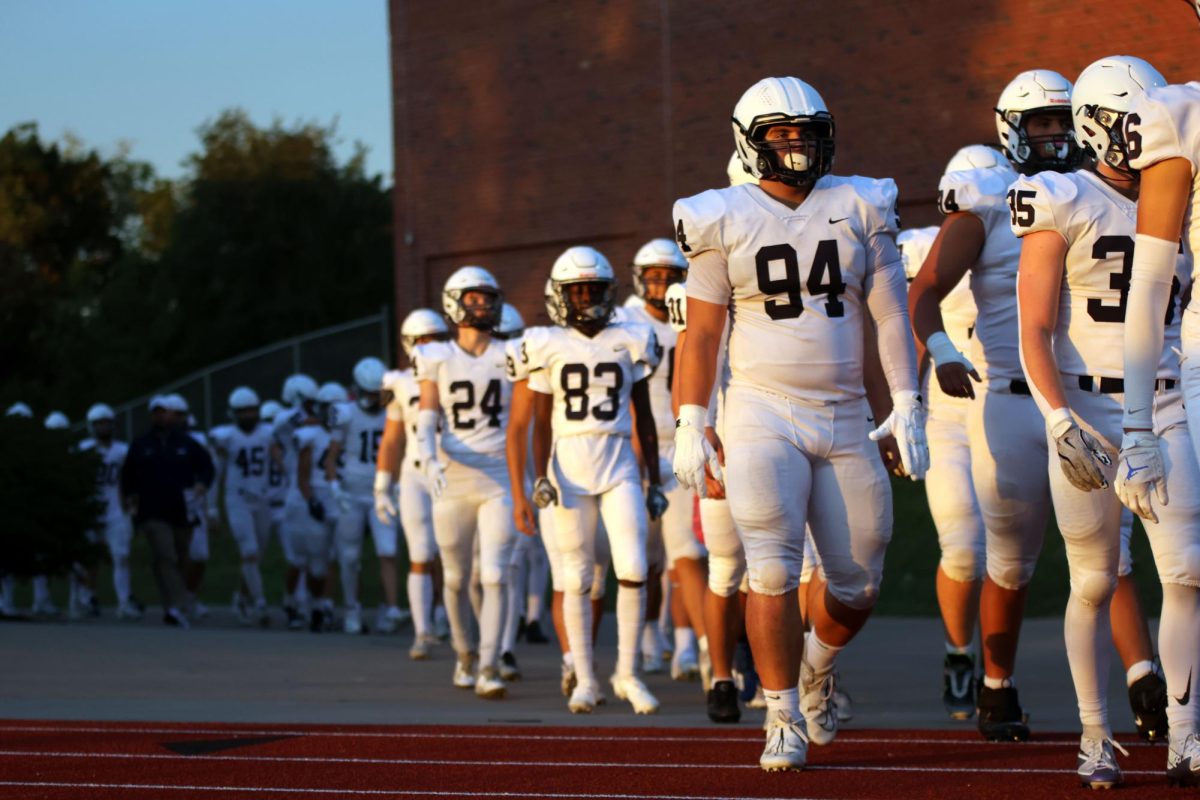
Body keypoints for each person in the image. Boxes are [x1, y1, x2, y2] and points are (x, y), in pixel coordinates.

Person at [674, 76, 926, 770]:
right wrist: (691, 418)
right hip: (761, 411)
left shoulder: (860, 203)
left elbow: (887, 318)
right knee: (772, 569)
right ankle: (780, 714)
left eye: (806, 133)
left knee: (859, 581)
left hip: (846, 412)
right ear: (749, 143)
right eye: (780, 135)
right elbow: (699, 337)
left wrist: (904, 404)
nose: (795, 147)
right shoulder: (720, 216)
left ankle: (815, 669)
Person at [1012, 55, 1188, 788]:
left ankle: (1187, 732)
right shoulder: (1059, 196)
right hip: (1086, 405)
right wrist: (1057, 418)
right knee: (1092, 580)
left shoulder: (1182, 188)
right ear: (1094, 127)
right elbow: (1034, 327)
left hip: (1171, 397)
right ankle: (1093, 733)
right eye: (1131, 121)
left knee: (1186, 568)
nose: (1149, 134)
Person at [908, 69, 1078, 741]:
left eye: (1063, 121)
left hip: (1059, 390)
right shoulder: (965, 216)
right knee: (983, 553)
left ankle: (1140, 687)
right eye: (1041, 123)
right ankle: (976, 666)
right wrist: (913, 391)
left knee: (1103, 554)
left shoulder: (1079, 197)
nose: (1056, 134)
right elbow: (915, 301)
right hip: (977, 398)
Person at [507, 245, 666, 715]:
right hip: (569, 466)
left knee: (634, 567)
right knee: (575, 576)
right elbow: (539, 418)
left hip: (618, 461)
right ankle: (587, 678)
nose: (584, 299)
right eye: (575, 291)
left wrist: (653, 479)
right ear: (560, 296)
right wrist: (539, 477)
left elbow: (645, 417)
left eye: (592, 290)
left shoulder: (632, 336)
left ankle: (628, 673)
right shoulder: (544, 344)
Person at [1119, 75, 1200, 787]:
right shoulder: (1184, 115)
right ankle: (1184, 732)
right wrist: (1138, 422)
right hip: (1198, 364)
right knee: (1186, 569)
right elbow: (1148, 283)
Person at [413, 266, 518, 698]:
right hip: (453, 475)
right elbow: (427, 413)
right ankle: (464, 653)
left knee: (494, 574)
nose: (482, 305)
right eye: (473, 298)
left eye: (487, 297)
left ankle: (490, 665)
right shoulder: (436, 355)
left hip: (498, 478)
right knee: (455, 578)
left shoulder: (512, 352)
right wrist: (426, 455)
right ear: (454, 303)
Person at [621, 238, 710, 685]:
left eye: (668, 276)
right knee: (644, 557)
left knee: (687, 553)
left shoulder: (699, 308)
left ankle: (695, 646)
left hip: (682, 443)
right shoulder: (626, 321)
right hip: (637, 447)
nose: (661, 285)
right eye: (653, 277)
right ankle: (650, 639)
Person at [376, 308, 451, 659]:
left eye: (434, 339)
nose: (427, 346)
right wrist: (382, 482)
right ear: (409, 345)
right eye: (421, 340)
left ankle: (448, 618)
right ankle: (422, 631)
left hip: (452, 470)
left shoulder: (458, 370)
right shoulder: (400, 382)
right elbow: (392, 439)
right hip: (416, 473)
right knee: (420, 553)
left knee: (453, 555)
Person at [119, 395, 214, 626]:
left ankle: (171, 605)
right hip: (152, 512)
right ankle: (178, 605)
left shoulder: (186, 443)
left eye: (166, 412)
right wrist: (129, 502)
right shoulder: (141, 444)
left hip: (182, 510)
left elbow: (206, 467)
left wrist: (201, 484)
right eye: (158, 412)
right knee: (165, 555)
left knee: (181, 557)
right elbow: (127, 476)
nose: (162, 416)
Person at [328, 356, 404, 635]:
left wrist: (396, 482)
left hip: (380, 492)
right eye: (368, 393)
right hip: (352, 491)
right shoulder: (344, 413)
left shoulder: (392, 411)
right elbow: (331, 456)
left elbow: (400, 449)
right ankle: (352, 608)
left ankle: (391, 608)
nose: (373, 399)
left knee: (388, 551)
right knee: (349, 557)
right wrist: (334, 486)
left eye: (376, 393)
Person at [211, 387, 276, 627]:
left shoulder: (268, 433)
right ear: (233, 413)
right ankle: (260, 605)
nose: (248, 415)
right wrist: (212, 508)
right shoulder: (225, 437)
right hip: (237, 499)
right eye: (243, 411)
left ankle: (241, 597)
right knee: (248, 552)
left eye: (251, 410)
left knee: (255, 556)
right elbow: (215, 474)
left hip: (262, 499)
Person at [80, 403, 139, 620]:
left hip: (116, 509)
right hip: (91, 510)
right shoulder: (83, 450)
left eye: (106, 423)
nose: (103, 427)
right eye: (98, 424)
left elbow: (131, 479)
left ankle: (124, 601)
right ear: (91, 426)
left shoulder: (122, 450)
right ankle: (88, 598)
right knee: (89, 559)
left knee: (121, 556)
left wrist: (132, 504)